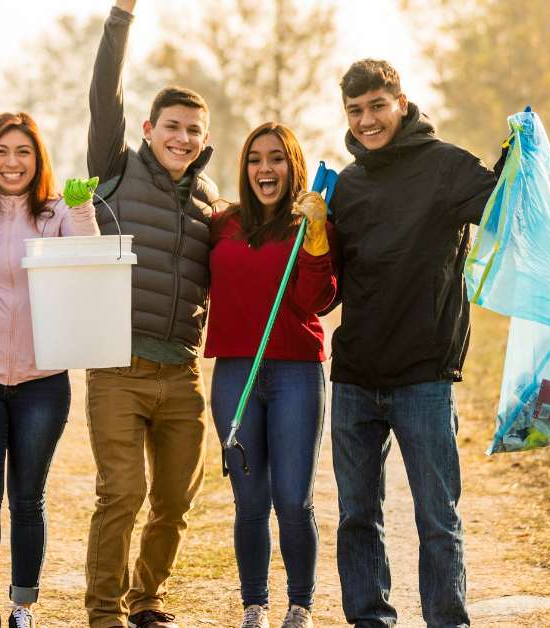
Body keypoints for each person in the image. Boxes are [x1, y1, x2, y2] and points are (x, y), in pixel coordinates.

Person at [327, 59, 504, 628]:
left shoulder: (447, 167)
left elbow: (502, 210)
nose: (367, 120)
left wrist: (515, 161)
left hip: (424, 376)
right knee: (357, 514)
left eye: (377, 106)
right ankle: (370, 618)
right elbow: (328, 283)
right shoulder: (347, 186)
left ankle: (447, 621)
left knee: (436, 515)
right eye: (356, 111)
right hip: (354, 376)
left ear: (402, 102)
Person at [83, 1, 219, 626]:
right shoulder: (114, 170)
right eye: (172, 125)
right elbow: (103, 89)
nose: (182, 138)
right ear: (146, 127)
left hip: (182, 375)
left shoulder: (211, 203)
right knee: (122, 494)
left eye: (194, 130)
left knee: (172, 501)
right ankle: (105, 610)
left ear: (204, 139)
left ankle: (147, 598)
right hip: (118, 367)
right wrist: (121, 16)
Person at [0, 112, 99, 628]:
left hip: (43, 382)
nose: (12, 163)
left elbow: (86, 264)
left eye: (23, 152)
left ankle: (22, 607)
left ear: (38, 160)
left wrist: (80, 208)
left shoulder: (55, 212)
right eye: (1, 152)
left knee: (28, 498)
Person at [205, 122, 336, 628]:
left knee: (292, 498)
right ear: (245, 169)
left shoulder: (311, 224)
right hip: (236, 371)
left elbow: (315, 301)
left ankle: (299, 604)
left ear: (294, 166)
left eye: (277, 158)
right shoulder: (224, 224)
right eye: (256, 159)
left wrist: (319, 234)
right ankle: (254, 605)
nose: (266, 168)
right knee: (250, 500)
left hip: (296, 373)